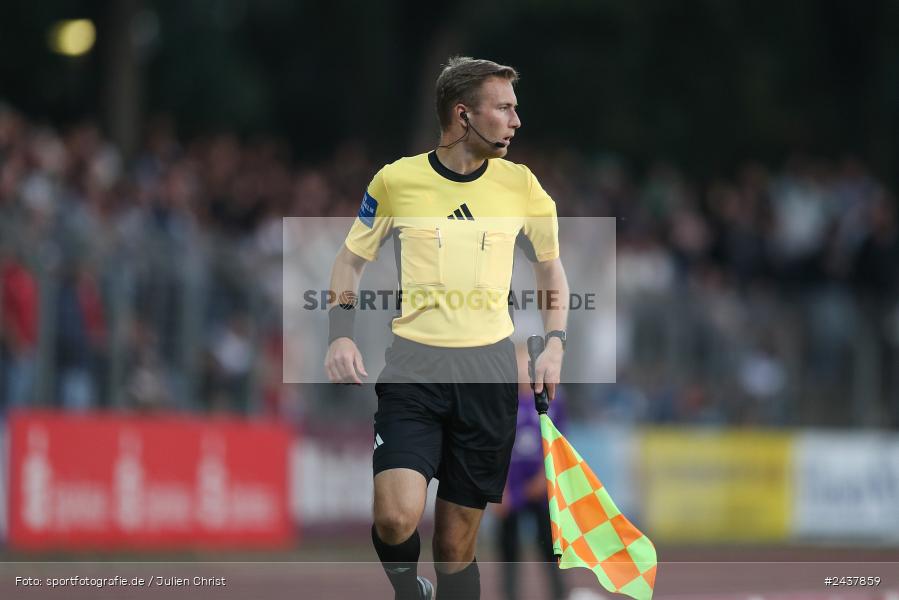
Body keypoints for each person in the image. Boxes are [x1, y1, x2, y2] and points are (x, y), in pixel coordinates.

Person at [325, 56, 570, 600]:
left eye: (515, 108)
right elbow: (349, 261)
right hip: (413, 367)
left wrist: (555, 343)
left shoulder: (522, 186)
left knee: (456, 546)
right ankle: (409, 590)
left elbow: (551, 271)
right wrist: (339, 332)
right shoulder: (396, 180)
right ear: (463, 115)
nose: (516, 120)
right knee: (395, 518)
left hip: (487, 375)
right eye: (503, 108)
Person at [495, 345, 568, 600]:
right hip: (510, 488)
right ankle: (509, 595)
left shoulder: (552, 401)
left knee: (551, 546)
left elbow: (559, 444)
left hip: (543, 486)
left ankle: (559, 594)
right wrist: (500, 489)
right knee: (508, 548)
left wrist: (544, 478)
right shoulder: (501, 404)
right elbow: (494, 448)